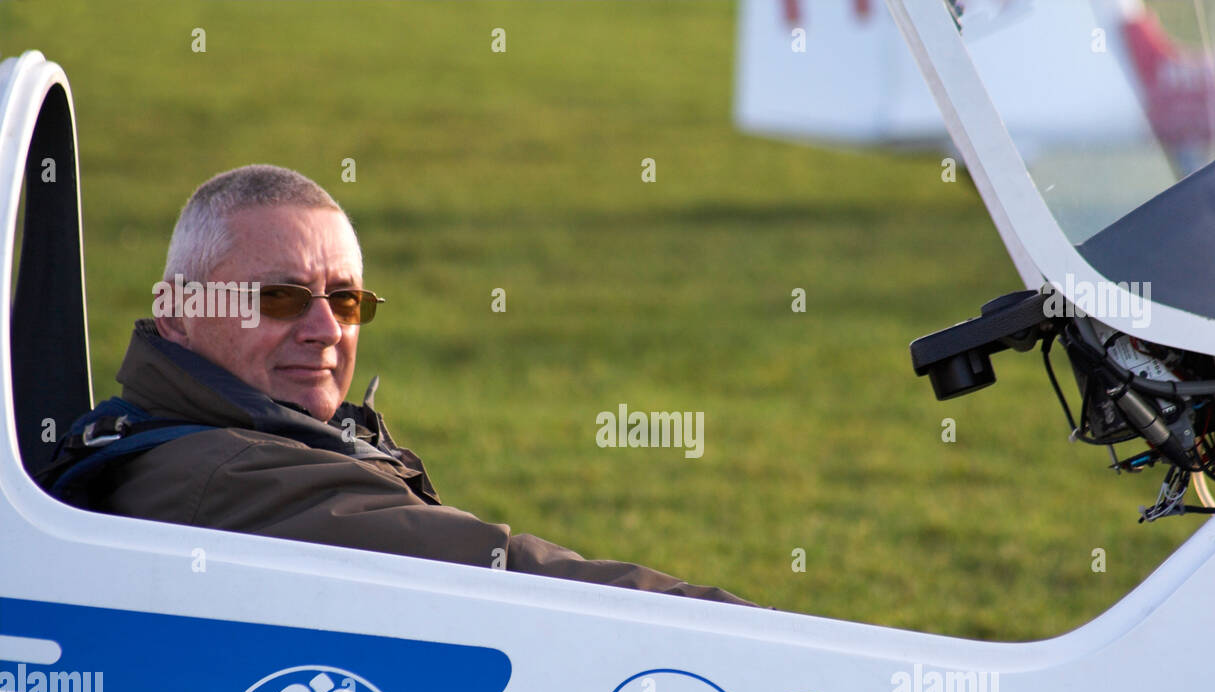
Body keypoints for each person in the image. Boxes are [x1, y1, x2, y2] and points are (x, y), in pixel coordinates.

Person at [41, 165, 752, 606]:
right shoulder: (233, 473)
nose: (325, 329)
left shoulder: (155, 435)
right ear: (177, 311)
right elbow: (499, 570)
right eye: (280, 297)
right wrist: (760, 630)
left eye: (347, 301)